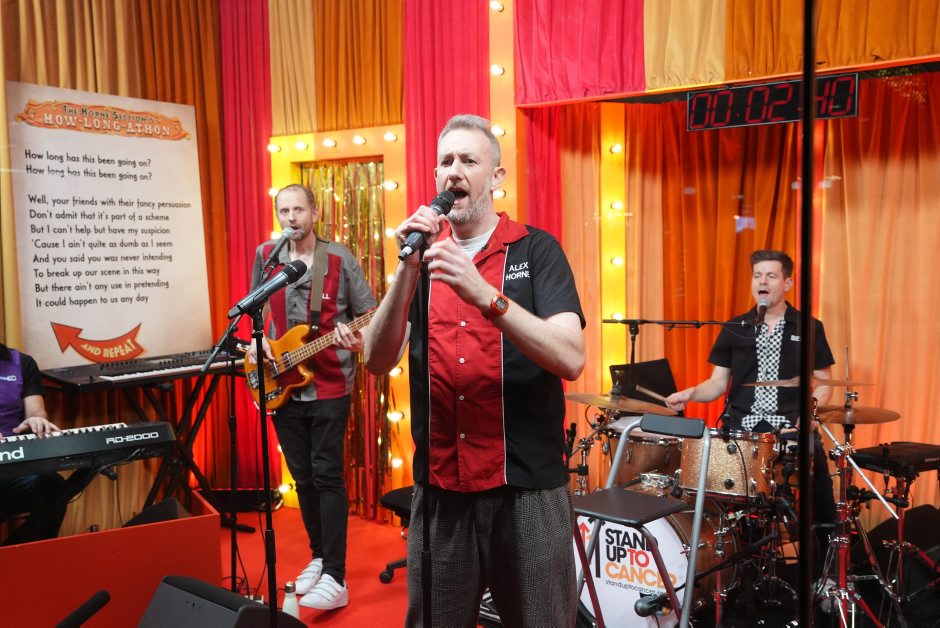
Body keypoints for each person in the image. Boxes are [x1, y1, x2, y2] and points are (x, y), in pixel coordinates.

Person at [364, 114, 586, 627]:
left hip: (527, 489)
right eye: (446, 161)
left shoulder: (537, 250)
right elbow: (376, 360)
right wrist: (405, 270)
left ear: (496, 177)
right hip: (442, 489)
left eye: (469, 160)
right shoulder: (421, 260)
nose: (454, 171)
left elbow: (571, 358)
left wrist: (486, 295)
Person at [664, 249, 837, 583]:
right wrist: (689, 394)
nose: (763, 281)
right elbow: (717, 384)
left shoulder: (809, 327)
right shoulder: (735, 327)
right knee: (715, 495)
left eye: (771, 275)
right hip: (741, 429)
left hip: (790, 428)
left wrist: (811, 412)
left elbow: (825, 382)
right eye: (758, 275)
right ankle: (730, 571)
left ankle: (823, 576)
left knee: (820, 495)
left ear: (787, 282)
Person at [247, 184, 377, 611]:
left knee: (326, 476)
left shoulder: (338, 259)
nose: (291, 218)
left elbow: (370, 315)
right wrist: (257, 345)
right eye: (284, 210)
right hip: (281, 386)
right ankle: (319, 557)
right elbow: (256, 315)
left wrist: (355, 338)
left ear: (315, 213)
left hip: (330, 385)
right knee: (302, 478)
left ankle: (336, 575)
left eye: (298, 210)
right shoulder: (267, 256)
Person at [0, 343, 68, 545]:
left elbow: (36, 411)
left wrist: (37, 419)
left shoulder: (22, 362)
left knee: (53, 487)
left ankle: (21, 555)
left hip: (11, 462)